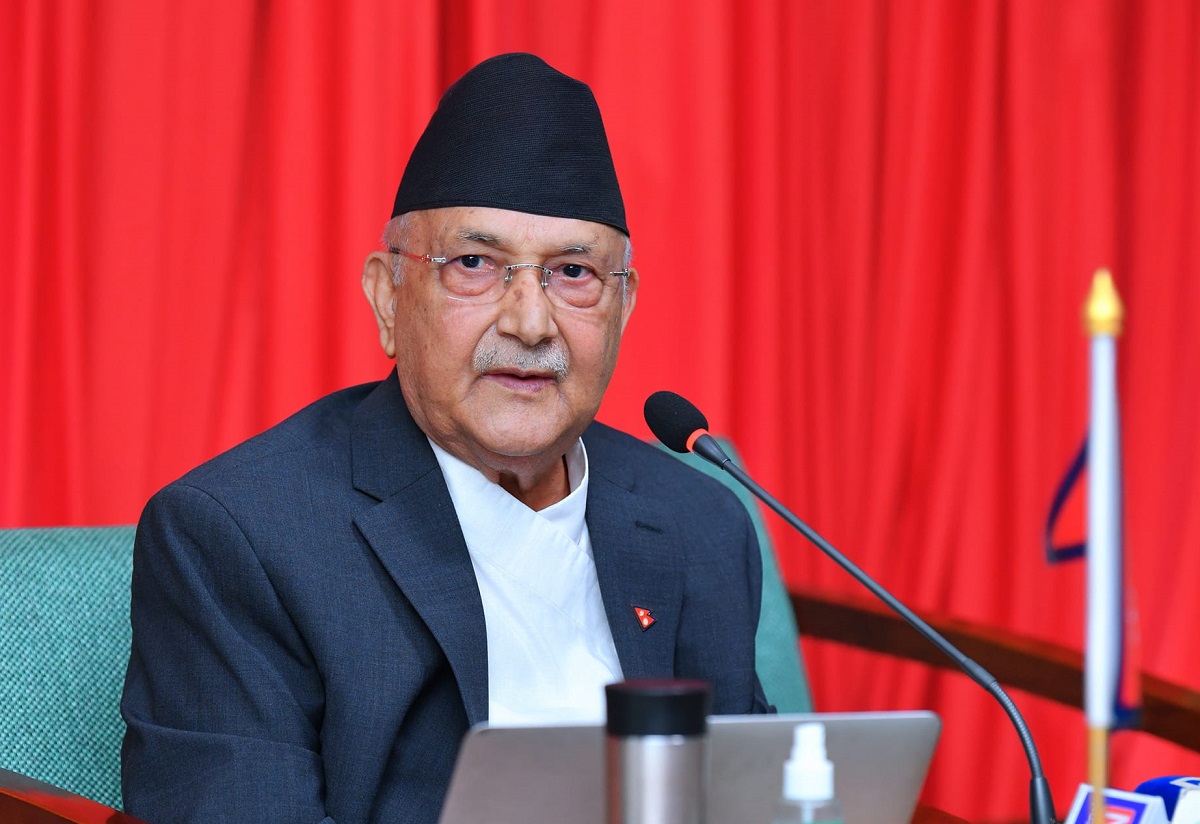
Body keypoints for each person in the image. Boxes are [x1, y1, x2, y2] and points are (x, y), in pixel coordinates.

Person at [120, 52, 770, 824]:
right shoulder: (241, 536)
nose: (530, 323)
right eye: (474, 263)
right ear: (388, 298)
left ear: (622, 309)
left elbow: (749, 802)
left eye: (572, 273)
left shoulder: (698, 522)